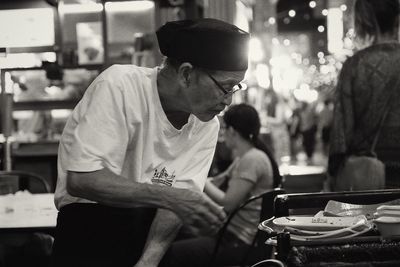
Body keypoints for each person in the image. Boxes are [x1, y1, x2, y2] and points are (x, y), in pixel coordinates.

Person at [51, 18, 249, 267]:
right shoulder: (120, 86)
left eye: (236, 88)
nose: (228, 100)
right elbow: (82, 179)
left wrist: (148, 261)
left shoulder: (207, 125)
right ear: (186, 74)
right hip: (86, 231)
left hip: (148, 235)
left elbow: (176, 205)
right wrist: (170, 196)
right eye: (226, 87)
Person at [160, 104, 281, 267]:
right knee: (179, 233)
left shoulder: (252, 159)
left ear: (232, 131)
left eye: (224, 129)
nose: (222, 135)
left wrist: (196, 180)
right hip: (231, 235)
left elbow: (228, 203)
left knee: (172, 251)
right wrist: (198, 179)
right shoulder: (244, 157)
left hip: (240, 241)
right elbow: (217, 181)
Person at [328, 0, 400, 189]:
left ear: (362, 22)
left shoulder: (355, 66)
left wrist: (333, 175)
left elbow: (340, 136)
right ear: (397, 20)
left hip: (369, 180)